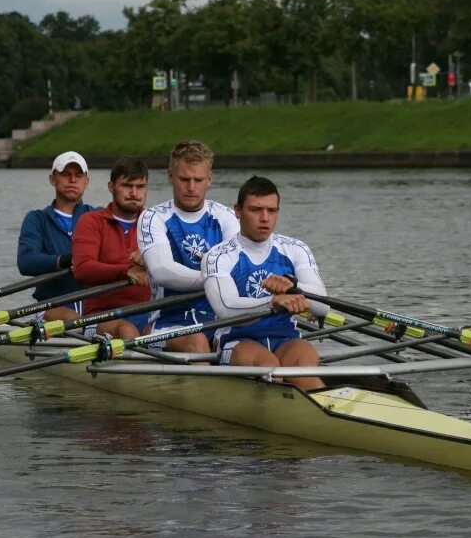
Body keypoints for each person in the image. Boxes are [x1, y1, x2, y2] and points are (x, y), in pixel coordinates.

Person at [201, 175, 327, 390]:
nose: (265, 218)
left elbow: (323, 306)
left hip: (285, 338)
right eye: (256, 210)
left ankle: (328, 410)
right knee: (267, 368)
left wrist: (294, 288)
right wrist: (273, 302)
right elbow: (226, 309)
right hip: (238, 340)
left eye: (272, 210)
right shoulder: (218, 256)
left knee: (305, 363)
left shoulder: (296, 249)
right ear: (238, 211)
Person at [137, 140, 240, 353]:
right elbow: (162, 271)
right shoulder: (153, 217)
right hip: (167, 323)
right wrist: (214, 279)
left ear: (209, 180)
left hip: (219, 320)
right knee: (197, 342)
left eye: (198, 180)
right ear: (170, 177)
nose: (191, 188)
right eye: (184, 179)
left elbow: (238, 269)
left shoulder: (226, 217)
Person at [72, 157, 152, 340]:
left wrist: (151, 258)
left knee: (162, 333)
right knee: (127, 331)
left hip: (149, 311)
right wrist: (127, 270)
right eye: (127, 185)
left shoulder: (155, 223)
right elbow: (82, 269)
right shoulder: (91, 221)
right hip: (102, 315)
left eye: (140, 187)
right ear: (111, 187)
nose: (134, 193)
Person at [16, 151, 95, 321]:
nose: (72, 180)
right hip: (50, 307)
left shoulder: (97, 217)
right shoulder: (36, 219)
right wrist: (63, 261)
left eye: (78, 175)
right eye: (65, 174)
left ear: (86, 181)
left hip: (93, 306)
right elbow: (26, 260)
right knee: (70, 317)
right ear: (52, 179)